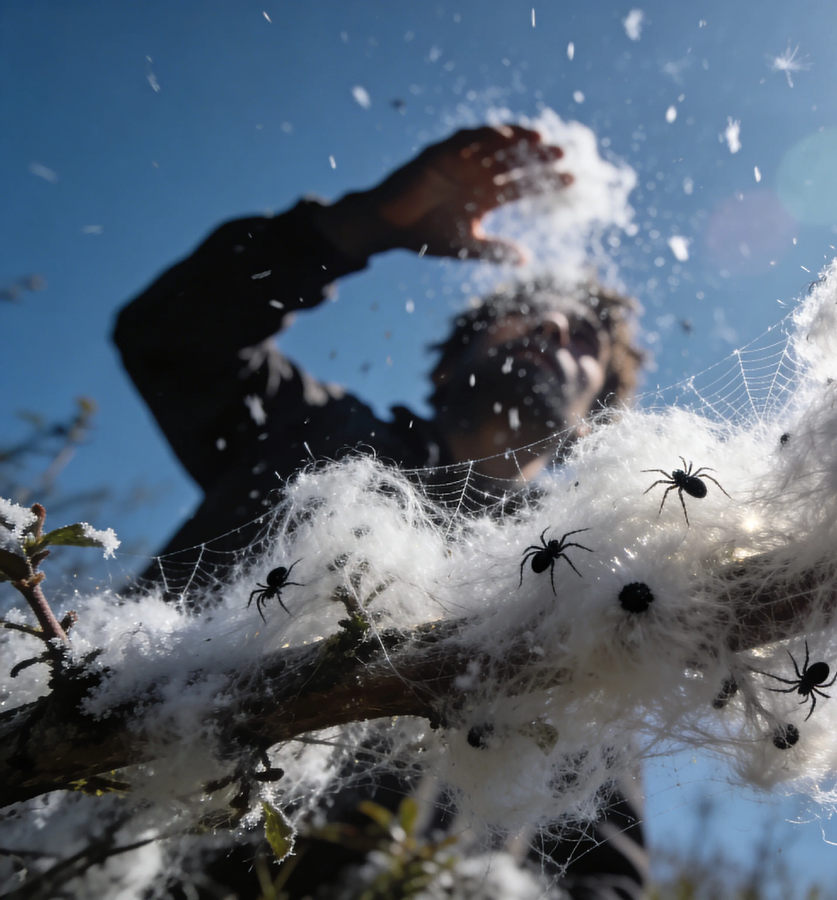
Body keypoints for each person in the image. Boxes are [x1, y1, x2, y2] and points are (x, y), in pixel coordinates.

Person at [113, 125, 648, 900]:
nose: (553, 328)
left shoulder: (588, 584)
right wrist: (359, 224)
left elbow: (602, 869)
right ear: (451, 357)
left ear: (594, 417)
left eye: (584, 338)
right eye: (530, 309)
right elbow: (168, 337)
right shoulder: (316, 436)